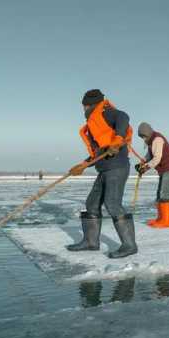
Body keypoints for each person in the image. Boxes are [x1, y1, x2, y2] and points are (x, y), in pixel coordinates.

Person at [66, 89, 138, 258]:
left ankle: (129, 245)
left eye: (84, 106)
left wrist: (118, 140)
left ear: (89, 105)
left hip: (117, 167)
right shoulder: (93, 124)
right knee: (92, 203)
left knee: (112, 203)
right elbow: (98, 152)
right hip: (104, 168)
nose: (83, 110)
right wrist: (83, 165)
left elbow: (124, 117)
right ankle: (91, 242)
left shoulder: (106, 113)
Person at [135, 122, 169, 229]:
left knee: (164, 193)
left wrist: (145, 167)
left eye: (143, 136)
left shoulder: (157, 140)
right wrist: (142, 162)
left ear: (148, 133)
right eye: (141, 137)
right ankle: (161, 218)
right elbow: (150, 155)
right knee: (160, 193)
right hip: (164, 170)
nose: (143, 138)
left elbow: (156, 158)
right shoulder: (151, 141)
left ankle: (167, 221)